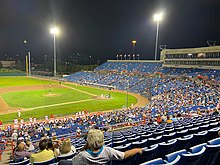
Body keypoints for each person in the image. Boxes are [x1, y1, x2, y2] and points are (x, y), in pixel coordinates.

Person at [72, 129, 143, 165]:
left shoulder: (82, 155)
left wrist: (85, 147)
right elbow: (124, 155)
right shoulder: (107, 151)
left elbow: (73, 162)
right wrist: (136, 150)